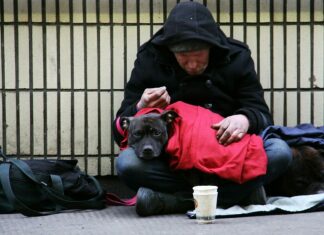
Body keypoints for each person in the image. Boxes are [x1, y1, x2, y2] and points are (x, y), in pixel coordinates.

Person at [112, 1, 292, 216]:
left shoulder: (236, 55)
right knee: (127, 163)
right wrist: (141, 105)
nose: (192, 66)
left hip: (226, 152)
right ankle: (238, 195)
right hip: (174, 161)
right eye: (184, 59)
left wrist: (244, 119)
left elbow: (261, 114)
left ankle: (172, 201)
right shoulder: (151, 58)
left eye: (199, 58)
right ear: (170, 51)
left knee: (280, 152)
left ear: (211, 47)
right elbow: (120, 128)